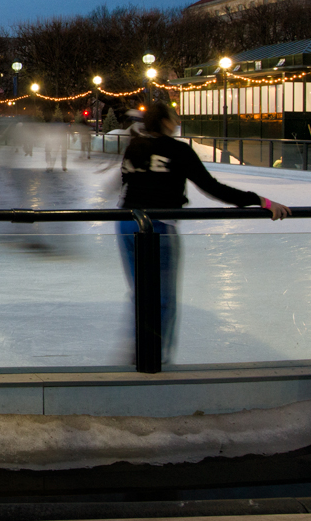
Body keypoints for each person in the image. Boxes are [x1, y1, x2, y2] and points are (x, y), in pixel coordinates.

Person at [118, 100, 290, 362]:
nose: (177, 122)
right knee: (162, 296)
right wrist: (261, 200)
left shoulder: (134, 147)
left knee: (141, 291)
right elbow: (211, 187)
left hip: (126, 223)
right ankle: (153, 358)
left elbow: (127, 183)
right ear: (165, 121)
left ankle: (140, 349)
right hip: (158, 227)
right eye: (174, 117)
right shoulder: (177, 149)